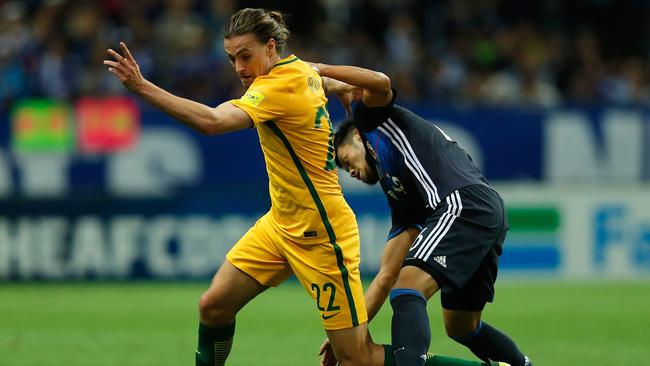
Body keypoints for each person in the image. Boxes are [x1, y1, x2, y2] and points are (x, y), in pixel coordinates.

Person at [104, 7, 512, 366]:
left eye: (246, 56)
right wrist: (340, 86)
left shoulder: (278, 85)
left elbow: (213, 122)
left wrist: (142, 87)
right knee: (213, 306)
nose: (239, 68)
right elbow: (334, 85)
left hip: (322, 234)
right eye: (231, 59)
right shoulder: (300, 73)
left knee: (357, 358)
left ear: (270, 47)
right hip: (281, 224)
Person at [313, 62, 533, 366]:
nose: (347, 170)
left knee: (409, 288)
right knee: (461, 326)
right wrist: (350, 333)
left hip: (462, 204)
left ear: (358, 137)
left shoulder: (373, 124)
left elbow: (379, 81)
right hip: (483, 212)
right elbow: (385, 276)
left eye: (344, 158)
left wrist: (324, 73)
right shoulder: (403, 197)